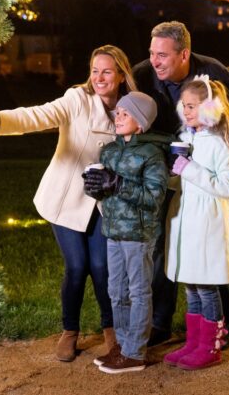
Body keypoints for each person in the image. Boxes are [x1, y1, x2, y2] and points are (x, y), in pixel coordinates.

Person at [0, 45, 135, 362]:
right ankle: (70, 331)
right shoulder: (77, 100)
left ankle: (111, 330)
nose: (99, 77)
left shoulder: (131, 110)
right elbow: (36, 116)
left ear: (122, 75)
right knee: (77, 266)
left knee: (103, 268)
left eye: (107, 71)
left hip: (104, 203)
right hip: (65, 199)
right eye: (94, 70)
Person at [132, 21, 229, 345]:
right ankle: (161, 323)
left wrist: (218, 170)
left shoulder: (215, 76)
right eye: (152, 53)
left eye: (163, 55)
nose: (154, 61)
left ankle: (219, 328)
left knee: (211, 257)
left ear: (184, 54)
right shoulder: (142, 75)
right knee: (164, 249)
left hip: (206, 180)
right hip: (165, 178)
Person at [161, 76, 229, 370]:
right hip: (186, 222)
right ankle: (193, 342)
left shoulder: (219, 143)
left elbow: (228, 186)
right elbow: (182, 179)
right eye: (184, 106)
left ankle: (210, 347)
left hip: (206, 223)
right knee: (191, 285)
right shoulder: (187, 139)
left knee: (206, 287)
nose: (186, 111)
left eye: (193, 106)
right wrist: (172, 171)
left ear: (211, 108)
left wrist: (191, 169)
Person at [82, 91, 170, 374]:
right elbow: (103, 190)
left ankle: (135, 352)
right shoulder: (109, 150)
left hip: (138, 233)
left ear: (141, 122)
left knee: (139, 291)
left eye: (125, 114)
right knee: (115, 290)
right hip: (113, 231)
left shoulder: (152, 155)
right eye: (117, 112)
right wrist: (95, 186)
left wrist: (118, 183)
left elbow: (154, 197)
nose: (117, 117)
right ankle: (121, 345)